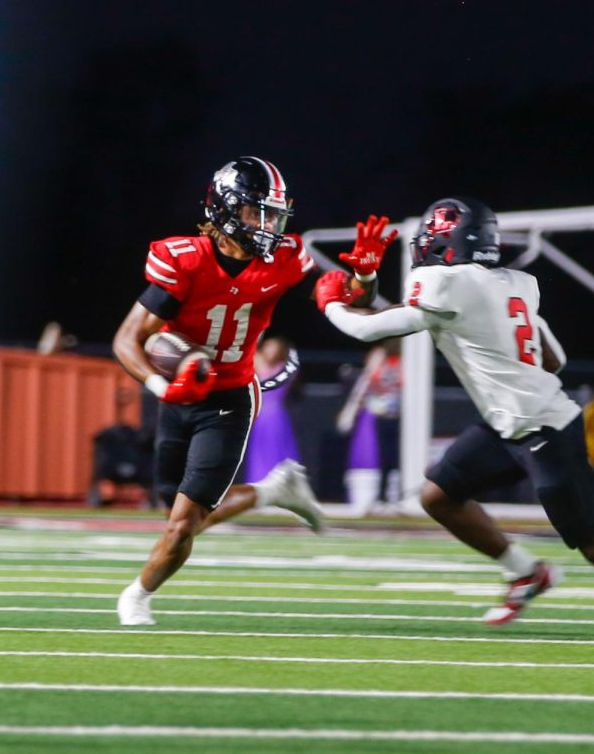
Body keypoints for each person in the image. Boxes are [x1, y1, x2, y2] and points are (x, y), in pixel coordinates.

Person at [314, 196, 594, 643]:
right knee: (438, 496)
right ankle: (527, 573)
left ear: (448, 244)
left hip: (543, 430)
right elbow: (555, 358)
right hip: (509, 424)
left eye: (435, 237)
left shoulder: (444, 282)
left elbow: (368, 328)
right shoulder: (515, 283)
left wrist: (330, 303)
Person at [111, 157, 392, 625]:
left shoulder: (283, 259)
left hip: (230, 397)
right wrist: (165, 385)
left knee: (183, 524)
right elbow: (127, 339)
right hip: (180, 395)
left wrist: (364, 276)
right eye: (255, 213)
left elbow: (351, 298)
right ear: (224, 210)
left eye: (272, 215)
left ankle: (137, 596)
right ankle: (272, 492)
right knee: (174, 514)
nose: (267, 226)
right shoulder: (185, 259)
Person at [337, 338, 403, 515]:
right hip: (380, 414)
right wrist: (351, 410)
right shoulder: (379, 357)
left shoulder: (406, 360)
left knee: (396, 455)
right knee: (382, 454)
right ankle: (380, 497)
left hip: (400, 416)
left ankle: (396, 497)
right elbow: (365, 385)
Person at [242, 335, 302, 483]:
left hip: (276, 416)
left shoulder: (286, 368)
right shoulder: (258, 363)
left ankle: (283, 484)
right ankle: (260, 482)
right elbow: (251, 352)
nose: (269, 350)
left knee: (279, 450)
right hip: (260, 417)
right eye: (267, 347)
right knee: (259, 453)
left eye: (273, 347)